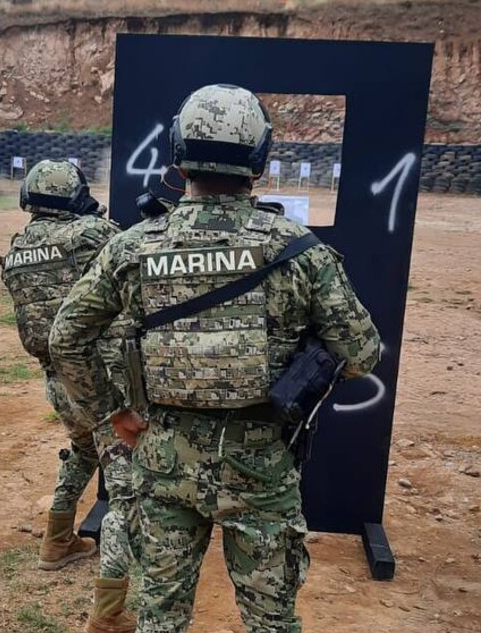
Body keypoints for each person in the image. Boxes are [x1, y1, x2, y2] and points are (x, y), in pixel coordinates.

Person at [49, 85, 381, 633]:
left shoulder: (132, 248)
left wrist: (113, 412)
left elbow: (67, 338)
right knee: (270, 621)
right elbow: (361, 353)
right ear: (260, 158)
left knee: (160, 615)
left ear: (179, 156)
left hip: (162, 458)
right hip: (262, 464)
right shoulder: (297, 250)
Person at [0, 159, 137, 633]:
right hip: (104, 379)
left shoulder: (17, 247)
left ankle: (57, 541)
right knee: (127, 491)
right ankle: (109, 614)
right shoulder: (91, 235)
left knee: (82, 452)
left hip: (57, 379)